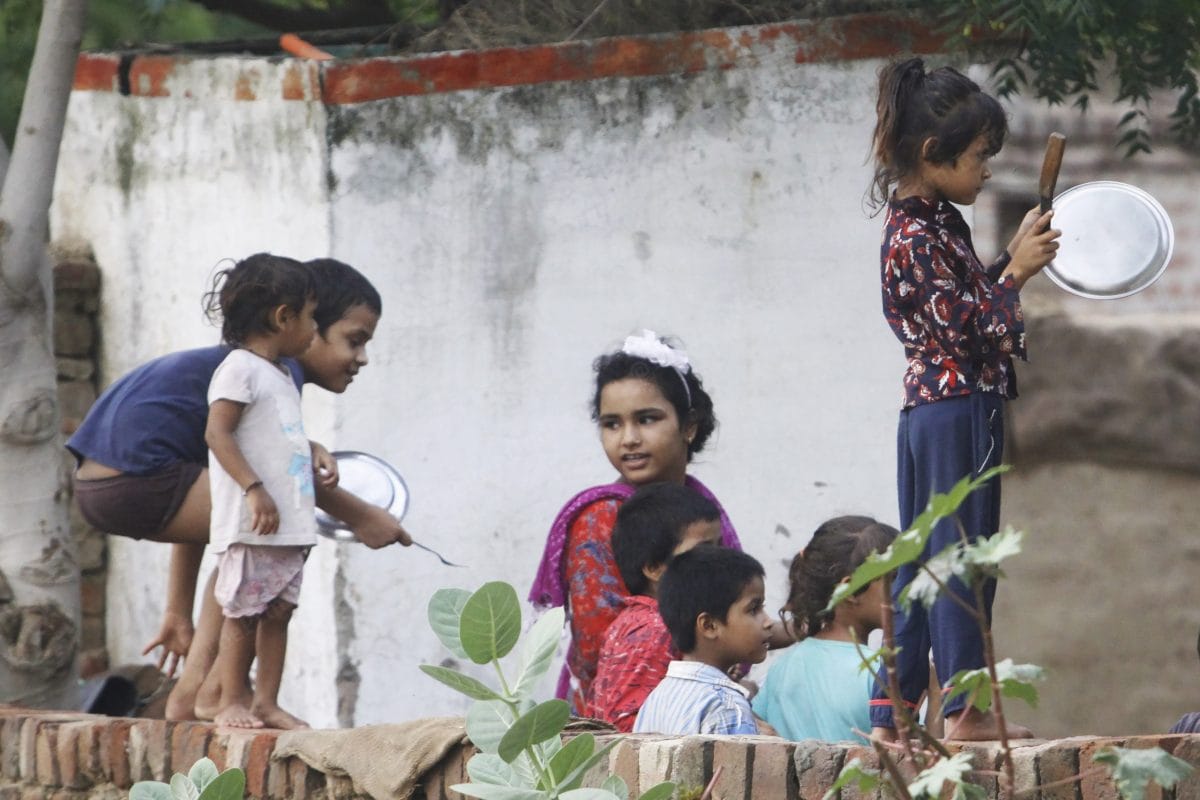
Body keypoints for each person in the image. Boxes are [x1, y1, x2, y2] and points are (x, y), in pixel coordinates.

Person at [66, 256, 411, 720]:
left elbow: (208, 505)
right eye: (355, 340)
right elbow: (285, 480)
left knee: (241, 533)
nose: (362, 358)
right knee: (264, 535)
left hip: (104, 483)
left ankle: (197, 691)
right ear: (292, 321)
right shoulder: (257, 371)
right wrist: (363, 515)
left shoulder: (255, 374)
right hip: (134, 478)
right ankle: (216, 692)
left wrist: (176, 611)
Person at [868, 57, 1060, 741]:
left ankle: (892, 717)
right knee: (961, 556)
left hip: (925, 412)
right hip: (959, 409)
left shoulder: (921, 223)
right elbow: (969, 328)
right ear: (933, 153)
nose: (987, 170)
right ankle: (965, 712)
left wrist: (1004, 260)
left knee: (921, 557)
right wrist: (1015, 272)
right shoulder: (923, 234)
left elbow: (959, 303)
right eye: (980, 156)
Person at [529, 330, 741, 715]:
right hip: (617, 724)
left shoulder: (702, 509)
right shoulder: (601, 518)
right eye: (612, 424)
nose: (628, 439)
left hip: (700, 705)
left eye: (646, 419)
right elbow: (601, 646)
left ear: (689, 425)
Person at [202, 253, 326, 729]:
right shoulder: (238, 369)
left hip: (287, 527)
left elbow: (272, 433)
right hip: (255, 524)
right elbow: (218, 434)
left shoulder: (279, 375)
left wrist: (313, 448)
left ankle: (266, 702)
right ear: (282, 316)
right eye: (311, 316)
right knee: (244, 613)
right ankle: (232, 698)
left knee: (277, 612)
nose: (314, 328)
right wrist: (254, 489)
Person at [589, 482, 722, 731]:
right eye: (703, 552)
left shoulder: (641, 622)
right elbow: (627, 727)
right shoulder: (657, 630)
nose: (718, 562)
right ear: (654, 568)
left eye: (719, 547)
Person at [752, 516, 898, 742]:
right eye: (894, 580)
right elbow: (913, 761)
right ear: (850, 590)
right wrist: (935, 690)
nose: (906, 591)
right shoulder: (880, 673)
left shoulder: (781, 668)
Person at [633, 546, 772, 735]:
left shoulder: (655, 700)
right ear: (709, 626)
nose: (768, 622)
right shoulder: (727, 705)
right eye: (753, 609)